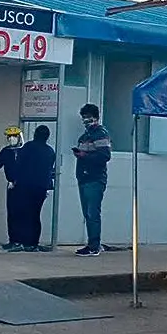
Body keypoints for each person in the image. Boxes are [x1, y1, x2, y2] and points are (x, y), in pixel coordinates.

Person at [0, 125, 56, 252]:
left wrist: (14, 180)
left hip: (23, 186)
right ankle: (32, 243)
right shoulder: (50, 151)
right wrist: (47, 187)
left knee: (17, 214)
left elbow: (20, 165)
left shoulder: (28, 148)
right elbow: (49, 170)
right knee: (34, 215)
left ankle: (17, 241)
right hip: (40, 188)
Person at [72, 103, 111, 257]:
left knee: (92, 213)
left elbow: (105, 156)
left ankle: (94, 246)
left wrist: (84, 156)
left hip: (95, 178)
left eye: (88, 118)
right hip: (84, 177)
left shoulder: (100, 134)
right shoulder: (85, 136)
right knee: (88, 213)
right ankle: (91, 244)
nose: (85, 121)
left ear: (96, 118)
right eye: (84, 118)